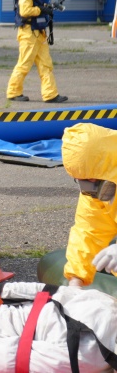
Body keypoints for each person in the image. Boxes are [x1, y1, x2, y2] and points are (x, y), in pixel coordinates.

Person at [61, 123, 117, 287]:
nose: (88, 184)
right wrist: (75, 281)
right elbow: (89, 231)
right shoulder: (98, 185)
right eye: (82, 179)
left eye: (91, 178)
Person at [6, 0, 67, 103]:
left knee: (45, 64)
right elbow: (25, 11)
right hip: (29, 34)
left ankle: (50, 94)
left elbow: (34, 7)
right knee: (24, 64)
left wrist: (47, 7)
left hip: (37, 34)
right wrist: (41, 10)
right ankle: (13, 92)